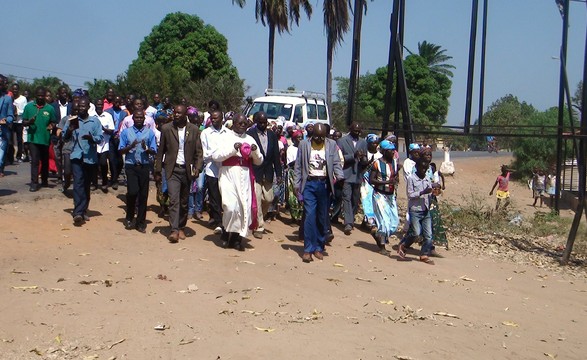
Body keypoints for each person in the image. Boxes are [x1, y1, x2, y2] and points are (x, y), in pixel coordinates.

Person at [212, 114, 263, 250]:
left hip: (245, 175)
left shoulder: (250, 138)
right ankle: (226, 231)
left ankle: (237, 239)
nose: (242, 125)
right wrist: (234, 149)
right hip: (228, 174)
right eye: (239, 123)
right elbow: (216, 156)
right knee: (230, 206)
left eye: (244, 123)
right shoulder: (225, 137)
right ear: (233, 123)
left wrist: (255, 151)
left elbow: (259, 161)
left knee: (243, 208)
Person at [294, 123, 344, 262]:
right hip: (309, 184)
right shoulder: (304, 144)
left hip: (324, 184)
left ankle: (319, 247)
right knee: (310, 215)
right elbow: (298, 165)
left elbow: (335, 163)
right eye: (316, 136)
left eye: (322, 137)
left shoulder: (331, 144)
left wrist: (339, 176)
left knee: (322, 217)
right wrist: (296, 185)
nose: (319, 139)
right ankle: (308, 249)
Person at [155, 104, 203, 243]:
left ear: (185, 115)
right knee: (174, 200)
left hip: (187, 171)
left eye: (179, 113)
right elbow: (161, 152)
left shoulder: (193, 130)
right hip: (172, 170)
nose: (176, 115)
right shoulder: (167, 128)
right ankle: (174, 230)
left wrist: (198, 168)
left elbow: (199, 152)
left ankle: (181, 226)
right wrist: (158, 170)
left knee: (183, 202)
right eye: (175, 112)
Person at [61, 98, 103, 225]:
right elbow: (64, 137)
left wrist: (92, 138)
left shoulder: (95, 121)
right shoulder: (72, 121)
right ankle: (78, 212)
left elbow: (100, 138)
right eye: (79, 107)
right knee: (78, 183)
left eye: (83, 106)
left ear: (88, 107)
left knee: (86, 185)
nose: (81, 108)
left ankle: (83, 209)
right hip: (76, 156)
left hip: (90, 157)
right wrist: (69, 130)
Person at [119, 110, 157, 233]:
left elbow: (154, 150)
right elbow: (120, 150)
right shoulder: (126, 132)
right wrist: (131, 146)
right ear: (133, 119)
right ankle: (129, 217)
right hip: (131, 165)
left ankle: (140, 222)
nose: (139, 119)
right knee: (133, 192)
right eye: (137, 117)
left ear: (144, 119)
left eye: (141, 117)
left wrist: (147, 149)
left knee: (143, 195)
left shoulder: (150, 133)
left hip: (144, 166)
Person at [247, 111, 282, 239]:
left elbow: (276, 156)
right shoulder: (250, 135)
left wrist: (279, 174)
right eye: (260, 122)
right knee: (256, 198)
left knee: (268, 198)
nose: (262, 124)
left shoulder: (272, 135)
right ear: (256, 122)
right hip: (255, 172)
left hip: (268, 172)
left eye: (264, 122)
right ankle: (258, 226)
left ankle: (258, 217)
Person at [398, 158, 440, 265]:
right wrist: (422, 192)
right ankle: (404, 245)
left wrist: (434, 192)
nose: (424, 170)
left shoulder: (427, 179)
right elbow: (410, 195)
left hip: (425, 210)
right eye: (422, 168)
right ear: (417, 168)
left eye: (425, 169)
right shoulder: (411, 179)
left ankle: (424, 254)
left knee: (428, 235)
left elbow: (430, 191)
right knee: (416, 233)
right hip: (415, 210)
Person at [335, 122, 368, 235]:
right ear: (350, 129)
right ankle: (348, 223)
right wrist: (353, 156)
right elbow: (338, 158)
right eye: (355, 131)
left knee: (355, 200)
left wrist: (365, 160)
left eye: (359, 131)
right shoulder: (342, 141)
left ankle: (351, 218)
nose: (357, 133)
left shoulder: (363, 142)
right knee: (346, 198)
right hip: (346, 174)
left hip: (358, 175)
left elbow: (364, 159)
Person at [22, 87, 57, 192]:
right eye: (39, 95)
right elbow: (23, 122)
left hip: (45, 139)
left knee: (45, 161)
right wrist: (29, 122)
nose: (41, 97)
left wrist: (51, 126)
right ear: (35, 95)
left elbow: (54, 121)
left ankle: (45, 180)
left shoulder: (49, 108)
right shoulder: (28, 107)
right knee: (35, 161)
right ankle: (34, 183)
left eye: (42, 95)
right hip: (33, 139)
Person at [368, 140, 400, 254]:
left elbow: (395, 176)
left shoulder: (395, 163)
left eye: (393, 150)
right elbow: (371, 180)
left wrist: (395, 181)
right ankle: (382, 246)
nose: (393, 152)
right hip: (379, 195)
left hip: (391, 196)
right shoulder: (377, 163)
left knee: (394, 224)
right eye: (390, 151)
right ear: (384, 152)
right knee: (384, 223)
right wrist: (386, 182)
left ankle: (378, 234)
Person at [200, 110, 229, 233]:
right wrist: (216, 155)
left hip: (226, 170)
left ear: (222, 118)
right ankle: (218, 222)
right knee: (214, 197)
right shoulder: (206, 133)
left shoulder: (228, 133)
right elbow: (204, 152)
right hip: (212, 170)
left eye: (216, 118)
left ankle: (227, 221)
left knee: (225, 198)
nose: (214, 120)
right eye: (212, 118)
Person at [56, 100, 80, 192]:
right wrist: (69, 130)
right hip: (68, 148)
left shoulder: (83, 120)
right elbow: (62, 135)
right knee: (67, 171)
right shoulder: (66, 119)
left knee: (77, 172)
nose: (76, 111)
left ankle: (77, 189)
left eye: (78, 109)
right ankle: (66, 184)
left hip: (78, 149)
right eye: (75, 109)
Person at [94, 99, 116, 191]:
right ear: (95, 105)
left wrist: (103, 129)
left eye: (101, 104)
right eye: (98, 104)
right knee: (94, 165)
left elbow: (111, 131)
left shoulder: (108, 116)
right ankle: (94, 183)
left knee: (103, 164)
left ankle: (104, 182)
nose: (99, 106)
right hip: (93, 144)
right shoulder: (91, 116)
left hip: (104, 144)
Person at [286, 129, 304, 221]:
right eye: (298, 138)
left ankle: (301, 216)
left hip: (303, 174)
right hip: (294, 174)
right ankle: (294, 217)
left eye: (301, 138)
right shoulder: (291, 149)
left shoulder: (304, 148)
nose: (300, 139)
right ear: (293, 140)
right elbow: (289, 163)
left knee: (302, 195)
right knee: (293, 195)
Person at [0, 75, 15, 177]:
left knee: (0, 158)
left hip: (2, 132)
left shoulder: (7, 99)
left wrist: (6, 120)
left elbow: (11, 116)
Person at [11, 83, 28, 163]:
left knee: (19, 139)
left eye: (16, 89)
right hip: (11, 121)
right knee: (10, 139)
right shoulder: (9, 97)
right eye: (13, 89)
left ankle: (19, 156)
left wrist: (17, 112)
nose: (15, 91)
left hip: (19, 121)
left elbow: (25, 110)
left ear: (18, 90)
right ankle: (10, 156)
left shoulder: (23, 99)